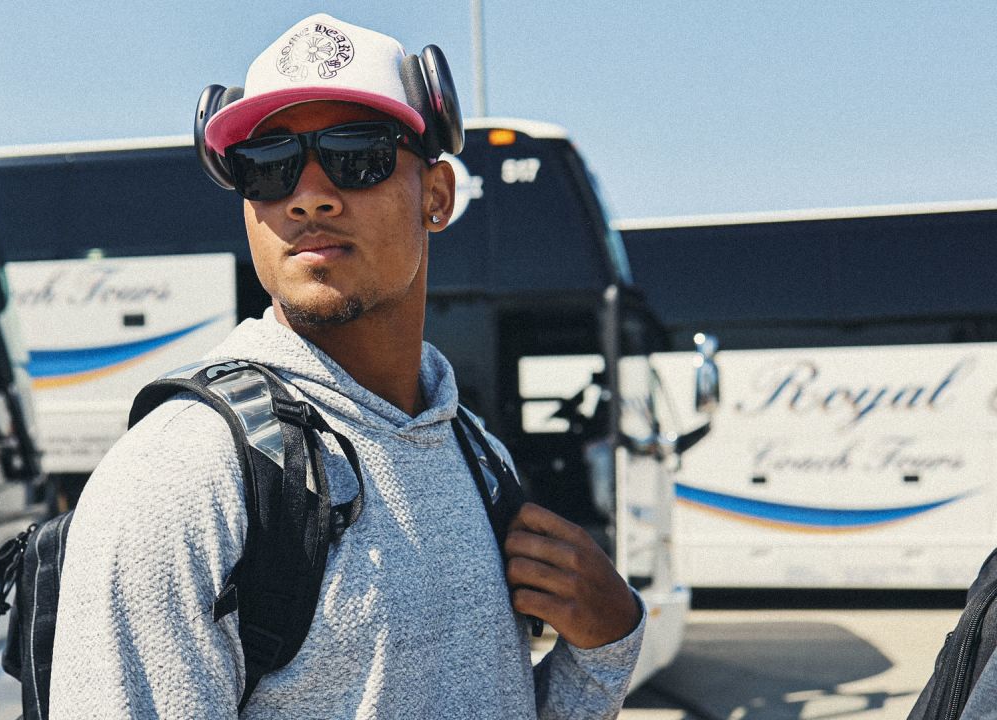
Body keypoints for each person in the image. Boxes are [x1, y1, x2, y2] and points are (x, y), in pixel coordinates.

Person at [50, 13, 644, 719]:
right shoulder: (182, 475)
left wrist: (607, 646)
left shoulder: (477, 456)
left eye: (355, 153)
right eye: (267, 167)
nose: (307, 195)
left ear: (438, 196)